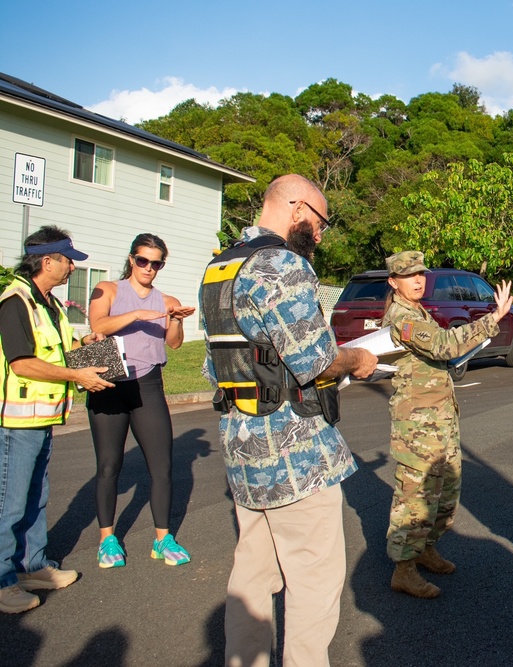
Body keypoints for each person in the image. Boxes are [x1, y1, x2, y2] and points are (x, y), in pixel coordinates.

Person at [200, 174, 378, 667]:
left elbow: (215, 364)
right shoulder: (283, 265)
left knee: (252, 577)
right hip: (295, 452)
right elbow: (316, 362)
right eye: (319, 221)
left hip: (242, 448)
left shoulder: (219, 268)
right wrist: (358, 359)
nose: (320, 234)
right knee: (313, 582)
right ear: (296, 206)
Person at [382, 250, 512, 598]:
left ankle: (426, 548)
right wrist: (493, 318)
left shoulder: (419, 311)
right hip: (417, 427)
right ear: (393, 282)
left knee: (446, 492)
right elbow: (442, 345)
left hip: (439, 419)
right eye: (410, 276)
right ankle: (404, 568)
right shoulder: (402, 318)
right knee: (415, 496)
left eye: (421, 274)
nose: (419, 280)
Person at [0, 226, 113, 614]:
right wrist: (76, 376)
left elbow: (57, 351)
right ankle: (2, 581)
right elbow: (23, 362)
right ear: (47, 261)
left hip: (41, 419)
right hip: (15, 422)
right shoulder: (15, 301)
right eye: (67, 261)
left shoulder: (49, 303)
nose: (70, 269)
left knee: (36, 496)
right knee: (9, 503)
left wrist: (84, 348)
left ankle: (31, 566)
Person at [86, 234, 197, 569]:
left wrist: (174, 319)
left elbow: (174, 344)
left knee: (162, 467)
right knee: (108, 466)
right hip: (109, 383)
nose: (149, 268)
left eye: (156, 263)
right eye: (143, 261)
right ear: (132, 259)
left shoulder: (166, 300)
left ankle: (163, 539)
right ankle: (107, 540)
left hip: (148, 386)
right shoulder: (108, 289)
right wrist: (138, 313)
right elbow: (98, 324)